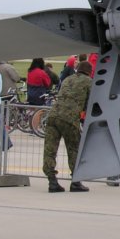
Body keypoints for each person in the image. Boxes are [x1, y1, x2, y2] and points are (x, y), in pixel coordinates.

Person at [42, 60, 93, 193]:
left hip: (53, 115)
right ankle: (76, 182)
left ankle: (52, 181)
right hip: (69, 119)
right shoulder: (88, 82)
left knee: (50, 149)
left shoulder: (68, 79)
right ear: (89, 72)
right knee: (74, 149)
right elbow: (90, 103)